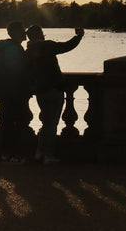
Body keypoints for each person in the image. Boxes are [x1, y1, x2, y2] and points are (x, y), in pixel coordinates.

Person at [25, 25, 85, 163]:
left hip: (40, 91)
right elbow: (67, 46)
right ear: (40, 34)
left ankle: (39, 152)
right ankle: (48, 154)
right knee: (52, 124)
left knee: (46, 123)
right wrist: (79, 36)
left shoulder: (28, 51)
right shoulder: (47, 46)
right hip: (54, 89)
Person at [0, 21, 33, 164]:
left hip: (5, 92)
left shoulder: (6, 47)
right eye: (23, 30)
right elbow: (16, 71)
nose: (25, 32)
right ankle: (14, 155)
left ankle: (6, 154)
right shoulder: (13, 49)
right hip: (14, 92)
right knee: (16, 123)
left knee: (7, 123)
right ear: (15, 33)